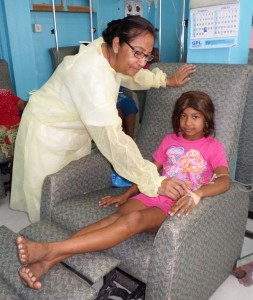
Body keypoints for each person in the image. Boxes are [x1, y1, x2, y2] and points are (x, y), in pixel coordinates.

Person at [16, 90, 230, 290]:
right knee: (111, 219)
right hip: (153, 193)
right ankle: (44, 264)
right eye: (183, 116)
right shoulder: (169, 140)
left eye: (195, 116)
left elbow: (224, 180)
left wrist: (197, 194)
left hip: (173, 205)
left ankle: (50, 249)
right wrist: (126, 194)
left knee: (132, 221)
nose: (188, 122)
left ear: (206, 119)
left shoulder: (213, 147)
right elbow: (148, 172)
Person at [10, 16, 196, 223]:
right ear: (117, 43)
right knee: (45, 194)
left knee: (68, 188)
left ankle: (64, 238)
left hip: (73, 128)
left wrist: (163, 80)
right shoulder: (91, 75)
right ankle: (44, 240)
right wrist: (153, 181)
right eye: (137, 53)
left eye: (147, 56)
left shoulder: (107, 50)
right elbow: (114, 141)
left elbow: (128, 74)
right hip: (47, 130)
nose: (143, 62)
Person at [0, 89, 27, 158]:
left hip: (5, 132)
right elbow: (21, 105)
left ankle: (13, 159)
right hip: (18, 127)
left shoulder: (5, 93)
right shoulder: (5, 92)